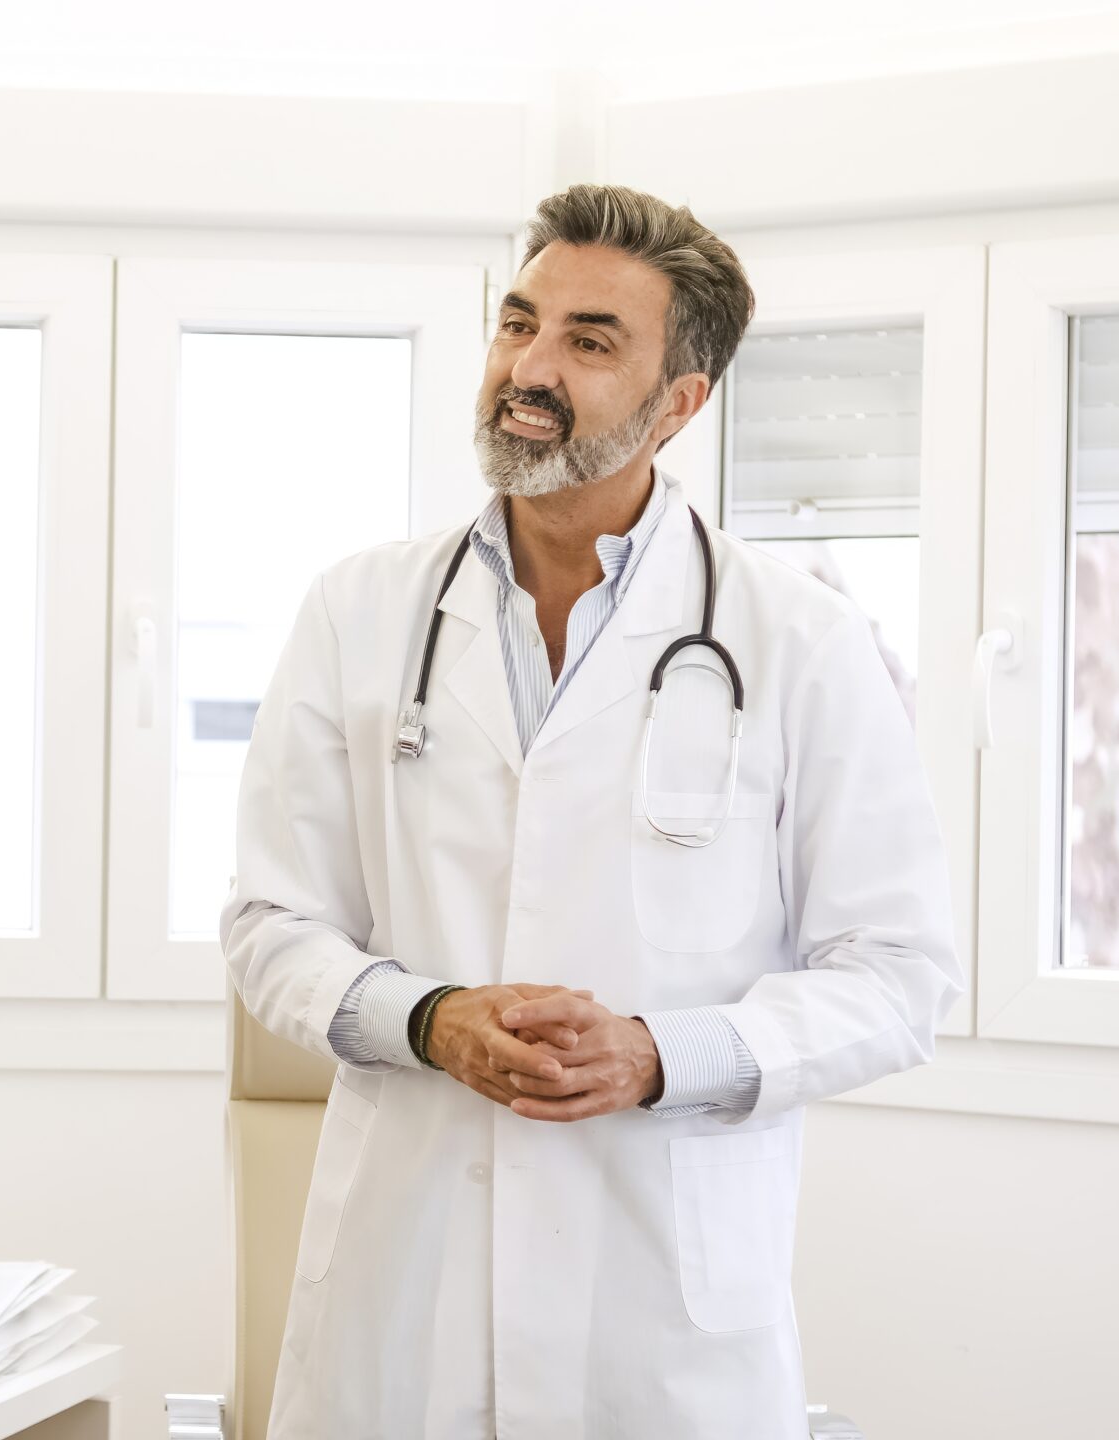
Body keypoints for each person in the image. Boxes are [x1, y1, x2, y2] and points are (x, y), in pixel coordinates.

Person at [223, 184, 963, 1437]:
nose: (528, 365)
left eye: (589, 340)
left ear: (682, 401)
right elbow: (268, 925)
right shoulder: (360, 614)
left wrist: (661, 1056)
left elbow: (897, 976)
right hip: (404, 1299)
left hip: (661, 1326)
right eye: (518, 323)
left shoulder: (801, 642)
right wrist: (433, 1019)